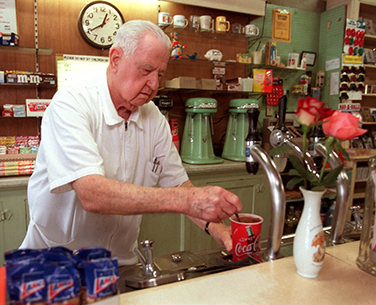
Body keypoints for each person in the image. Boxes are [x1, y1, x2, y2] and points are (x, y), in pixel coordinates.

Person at [20, 20, 242, 275]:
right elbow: (92, 194)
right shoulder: (70, 104)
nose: (154, 84)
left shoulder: (154, 118)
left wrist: (221, 230)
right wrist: (187, 200)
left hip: (119, 265)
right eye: (145, 70)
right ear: (115, 59)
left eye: (159, 74)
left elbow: (179, 185)